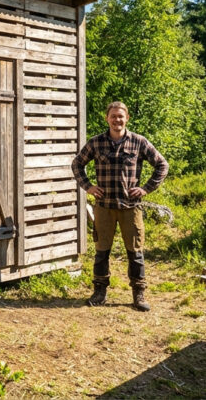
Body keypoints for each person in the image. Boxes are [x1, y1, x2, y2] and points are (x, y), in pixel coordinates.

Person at [71, 101, 168, 311]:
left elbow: (162, 164)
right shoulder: (96, 143)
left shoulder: (139, 142)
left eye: (121, 116)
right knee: (101, 251)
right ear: (107, 118)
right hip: (104, 206)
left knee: (135, 251)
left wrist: (146, 189)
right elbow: (77, 164)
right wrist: (87, 186)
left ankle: (138, 294)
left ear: (127, 118)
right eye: (113, 116)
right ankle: (99, 292)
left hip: (130, 207)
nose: (117, 120)